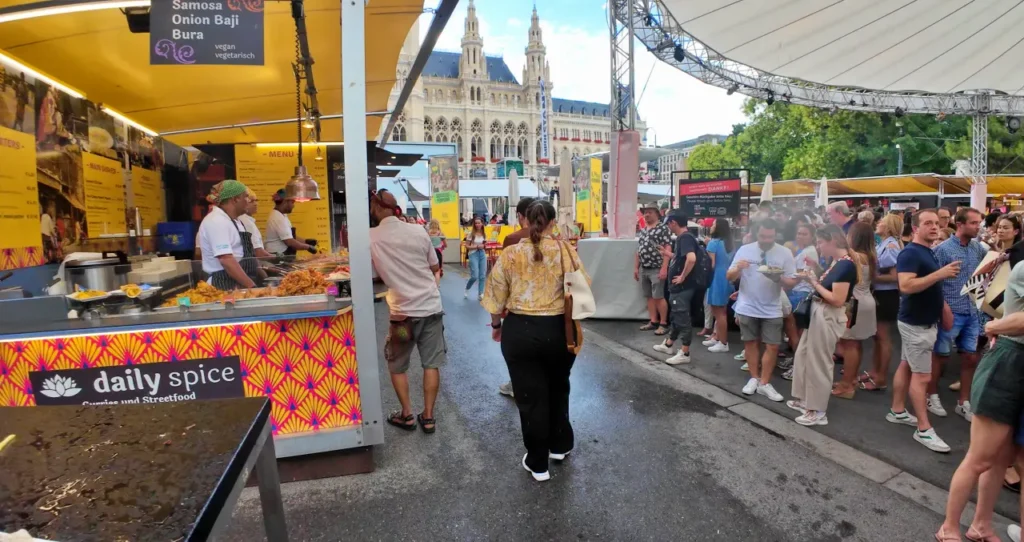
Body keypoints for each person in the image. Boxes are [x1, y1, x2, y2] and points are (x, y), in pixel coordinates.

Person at [482, 200, 589, 482]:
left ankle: (538, 462)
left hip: (521, 330)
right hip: (559, 329)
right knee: (558, 386)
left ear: (524, 220)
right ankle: (560, 445)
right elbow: (583, 286)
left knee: (529, 396)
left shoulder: (511, 254)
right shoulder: (566, 250)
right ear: (552, 222)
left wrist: (496, 325)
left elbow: (495, 297)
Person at [937, 258, 1024, 542]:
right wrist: (994, 326)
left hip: (1012, 361)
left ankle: (981, 526)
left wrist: (995, 326)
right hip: (1009, 363)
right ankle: (950, 526)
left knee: (1002, 459)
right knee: (980, 457)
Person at [368, 189, 445, 435]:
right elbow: (435, 267)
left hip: (402, 316)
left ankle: (407, 414)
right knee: (431, 364)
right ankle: (429, 417)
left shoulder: (370, 237)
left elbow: (373, 276)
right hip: (431, 310)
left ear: (377, 208)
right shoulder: (417, 231)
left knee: (397, 364)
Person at [887, 209, 960, 453]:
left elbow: (931, 287)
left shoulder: (927, 251)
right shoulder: (910, 253)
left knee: (907, 366)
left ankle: (897, 411)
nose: (934, 227)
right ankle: (924, 429)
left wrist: (944, 308)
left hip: (922, 322)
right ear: (915, 228)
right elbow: (906, 286)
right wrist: (941, 273)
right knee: (922, 377)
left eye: (937, 223)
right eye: (927, 223)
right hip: (916, 325)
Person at [786, 225, 857, 426]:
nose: (818, 246)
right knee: (804, 354)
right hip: (820, 311)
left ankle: (817, 410)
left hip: (827, 313)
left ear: (832, 241)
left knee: (819, 361)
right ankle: (805, 399)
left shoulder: (846, 265)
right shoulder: (839, 262)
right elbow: (829, 286)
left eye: (820, 242)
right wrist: (816, 274)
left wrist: (813, 282)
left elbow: (837, 299)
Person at [726, 218, 796, 400]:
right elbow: (729, 276)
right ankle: (754, 378)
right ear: (757, 233)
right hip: (747, 306)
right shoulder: (745, 250)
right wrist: (738, 269)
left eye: (770, 236)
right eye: (763, 236)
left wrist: (777, 278)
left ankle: (765, 383)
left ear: (776, 235)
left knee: (772, 345)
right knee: (750, 343)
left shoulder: (784, 253)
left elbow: (791, 283)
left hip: (772, 306)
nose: (767, 240)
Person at [929, 207, 987, 422]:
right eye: (973, 223)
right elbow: (934, 281)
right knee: (941, 355)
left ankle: (963, 402)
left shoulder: (978, 249)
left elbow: (983, 274)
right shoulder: (943, 250)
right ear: (960, 224)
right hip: (950, 309)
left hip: (972, 310)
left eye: (979, 222)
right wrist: (942, 307)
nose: (978, 226)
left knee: (970, 356)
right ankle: (931, 395)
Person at [831, 223, 878, 399]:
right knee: (855, 344)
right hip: (864, 301)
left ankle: (846, 385)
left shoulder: (854, 256)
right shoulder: (870, 256)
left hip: (853, 304)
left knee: (849, 344)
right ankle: (850, 380)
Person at [859, 213, 904, 391]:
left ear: (889, 226)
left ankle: (881, 378)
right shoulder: (886, 243)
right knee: (878, 337)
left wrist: (872, 276)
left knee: (883, 337)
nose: (878, 223)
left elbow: (894, 276)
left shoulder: (891, 245)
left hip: (887, 295)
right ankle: (874, 372)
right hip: (881, 294)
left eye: (882, 222)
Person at [652, 212, 703, 365]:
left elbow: (691, 258)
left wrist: (682, 277)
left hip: (682, 287)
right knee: (677, 316)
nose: (668, 226)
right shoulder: (685, 238)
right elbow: (682, 257)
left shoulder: (685, 237)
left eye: (668, 223)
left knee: (682, 318)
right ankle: (669, 344)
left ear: (673, 222)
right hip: (680, 287)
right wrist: (668, 253)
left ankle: (685, 352)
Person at [197, 180, 258, 291]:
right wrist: (252, 287)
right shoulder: (217, 221)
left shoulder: (232, 221)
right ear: (235, 199)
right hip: (222, 285)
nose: (248, 201)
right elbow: (226, 260)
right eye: (246, 197)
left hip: (236, 283)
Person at [634, 205, 671, 335]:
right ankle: (653, 321)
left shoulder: (663, 228)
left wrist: (664, 268)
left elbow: (667, 247)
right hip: (644, 267)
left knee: (659, 296)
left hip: (657, 267)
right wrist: (636, 268)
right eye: (645, 213)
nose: (646, 215)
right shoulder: (643, 230)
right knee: (649, 296)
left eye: (649, 212)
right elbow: (639, 250)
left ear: (656, 213)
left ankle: (663, 323)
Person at [702, 218, 735, 353]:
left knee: (718, 312)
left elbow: (712, 264)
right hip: (727, 276)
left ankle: (723, 342)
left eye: (714, 224)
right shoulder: (730, 244)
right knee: (722, 311)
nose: (711, 226)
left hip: (716, 278)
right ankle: (717, 338)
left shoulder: (713, 243)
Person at [265, 189, 316, 255]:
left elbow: (290, 236)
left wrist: (306, 241)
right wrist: (308, 247)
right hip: (278, 258)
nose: (293, 206)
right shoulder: (278, 218)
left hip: (283, 255)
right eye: (292, 202)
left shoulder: (282, 215)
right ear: (285, 202)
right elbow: (290, 242)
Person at [239, 189, 274, 259]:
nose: (255, 204)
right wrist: (277, 258)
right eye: (251, 201)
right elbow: (258, 252)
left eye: (256, 200)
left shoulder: (246, 219)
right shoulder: (246, 222)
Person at [464, 216, 488, 300]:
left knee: (482, 275)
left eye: (479, 223)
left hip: (482, 254)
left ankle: (480, 293)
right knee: (474, 276)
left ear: (482, 224)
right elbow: (466, 246)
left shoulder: (484, 234)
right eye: (476, 223)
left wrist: (484, 245)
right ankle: (467, 288)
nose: (477, 224)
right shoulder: (471, 235)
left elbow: (485, 245)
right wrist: (477, 246)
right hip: (473, 254)